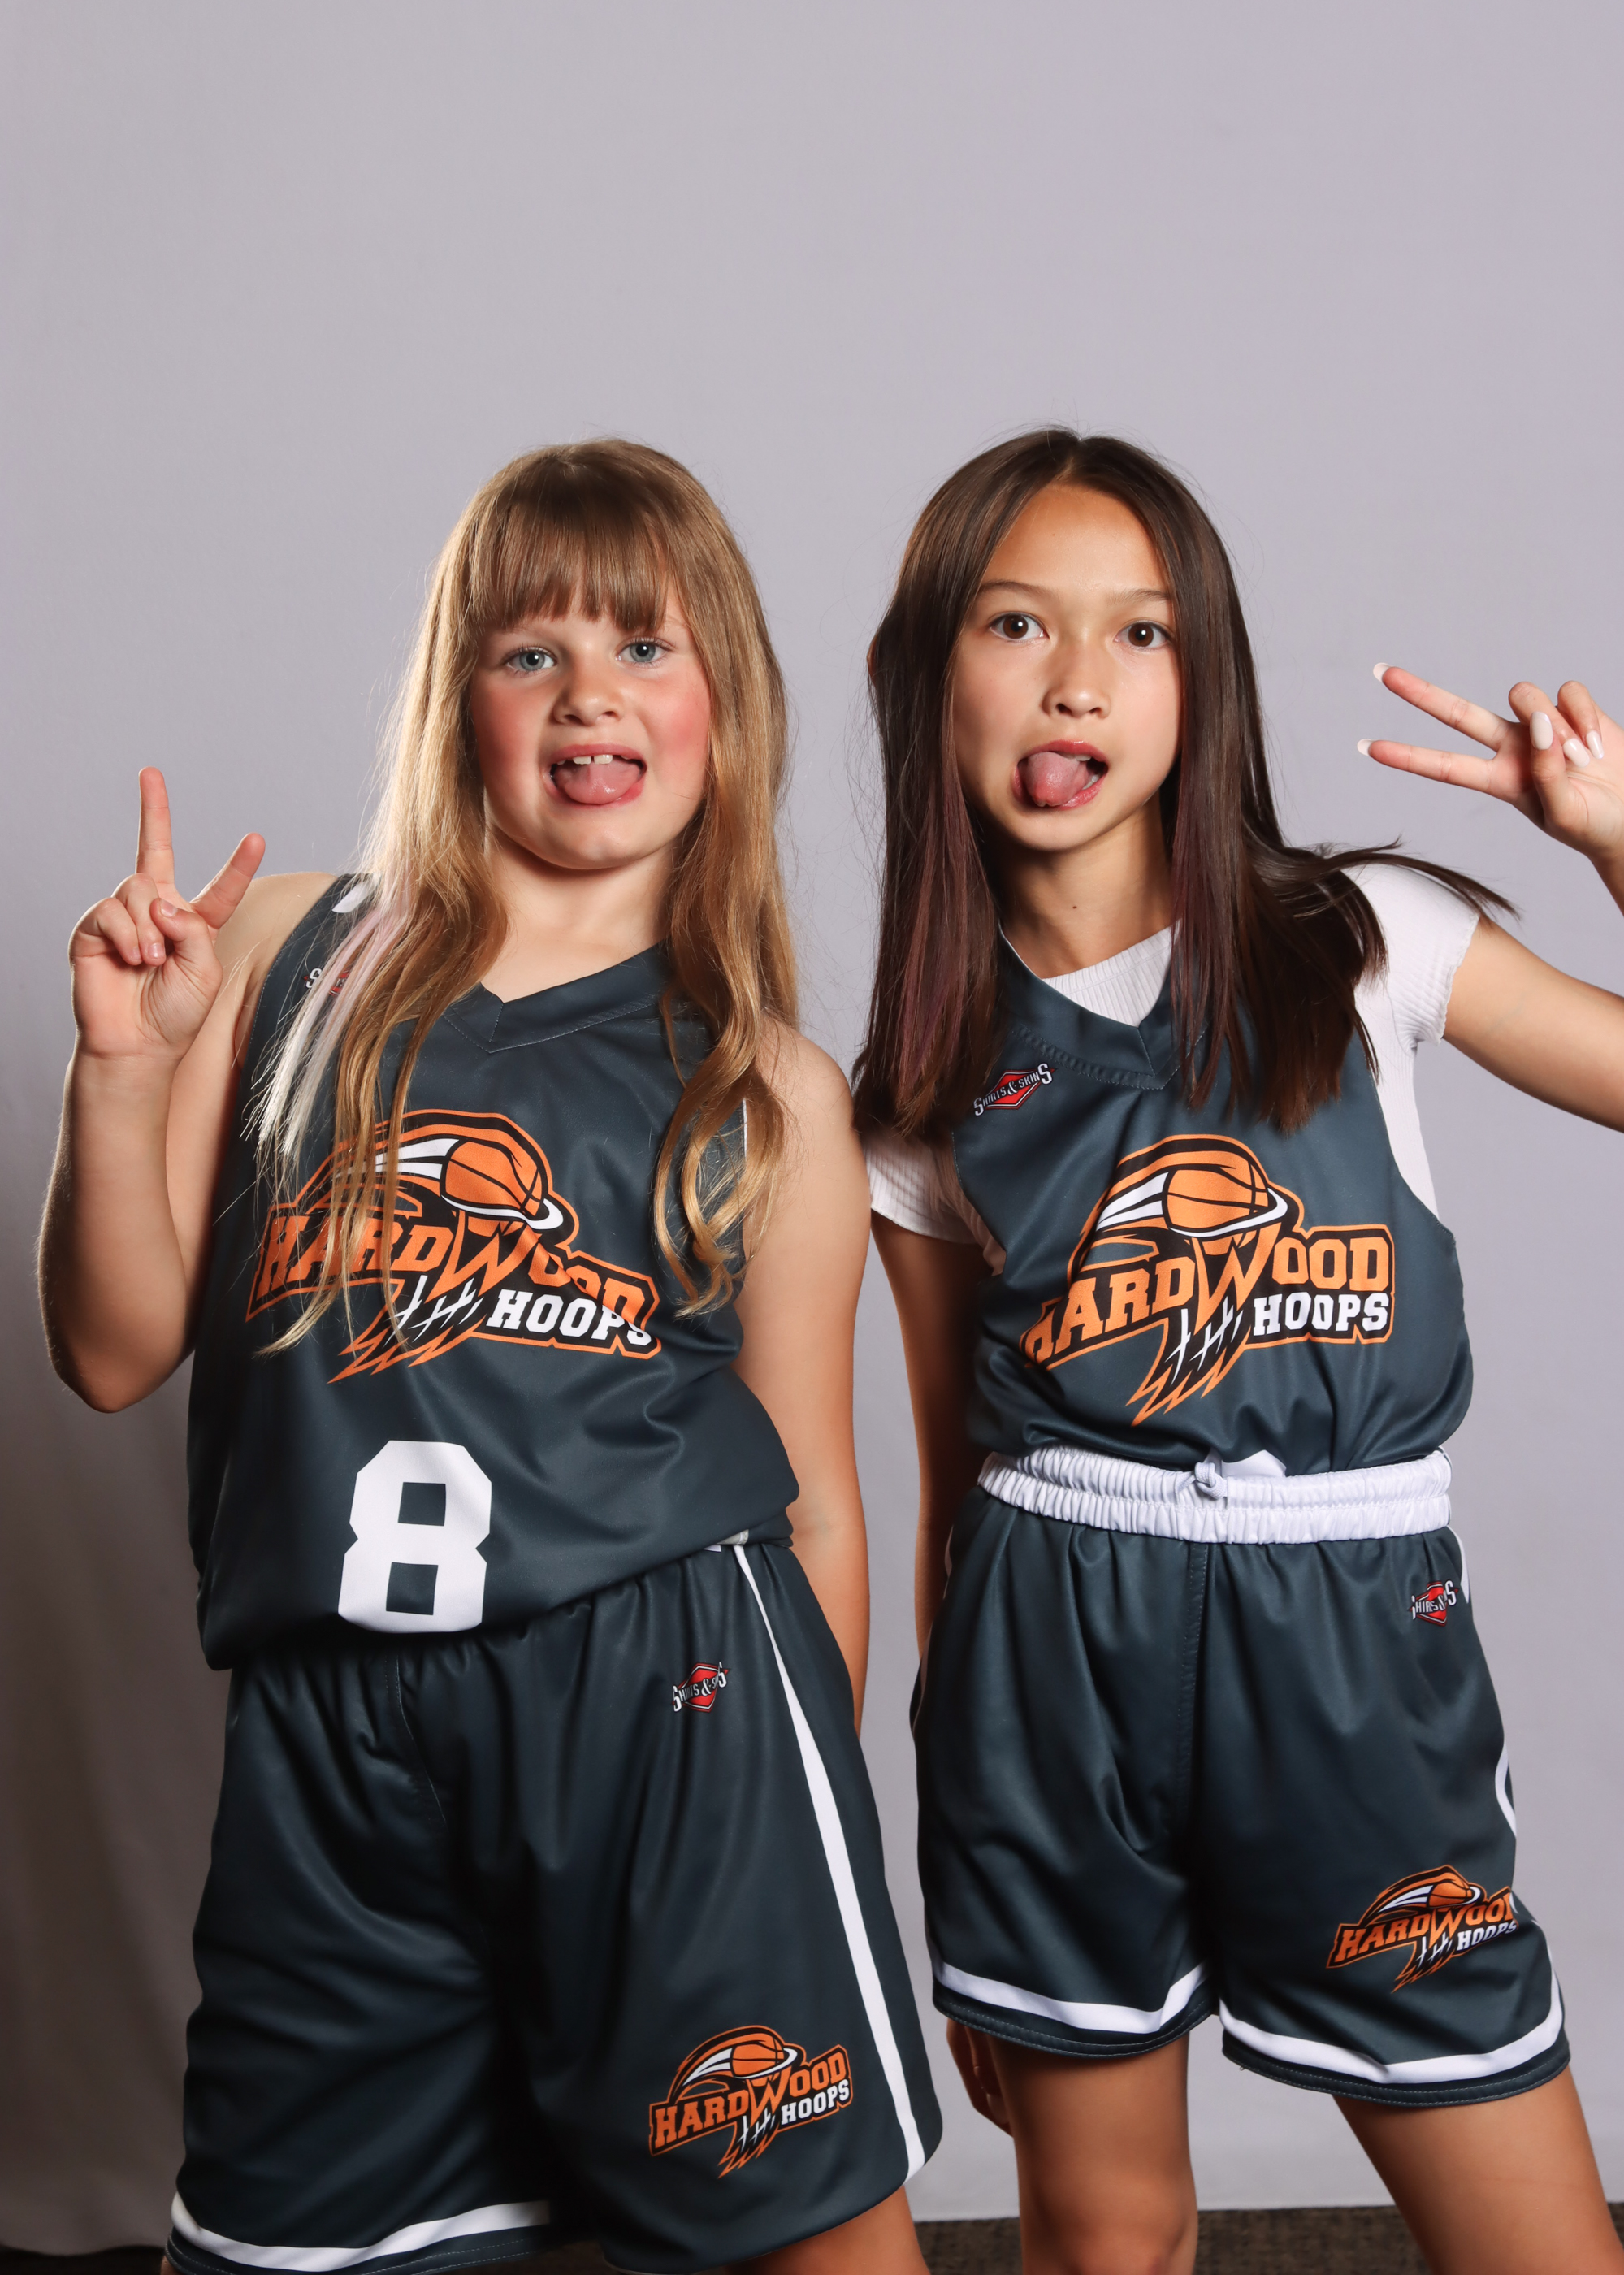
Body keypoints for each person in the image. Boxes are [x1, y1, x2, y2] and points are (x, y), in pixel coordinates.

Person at [40, 440, 939, 2275]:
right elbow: (111, 1350)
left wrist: (787, 1831)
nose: (589, 693)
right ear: (461, 700)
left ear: (725, 706)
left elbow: (816, 1503)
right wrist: (122, 1073)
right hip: (333, 1735)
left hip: (671, 1719)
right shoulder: (294, 951)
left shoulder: (765, 1085)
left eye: (644, 647)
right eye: (533, 651)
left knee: (803, 2246)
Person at [855, 429, 1624, 2275]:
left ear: (1203, 685)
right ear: (928, 671)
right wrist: (967, 1857)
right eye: (1017, 623)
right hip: (1049, 1674)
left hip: (1347, 1644)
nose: (1077, 681)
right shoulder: (924, 1078)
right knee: (1107, 2237)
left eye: (1140, 633)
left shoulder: (1361, 940)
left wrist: (1611, 839)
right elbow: (955, 1479)